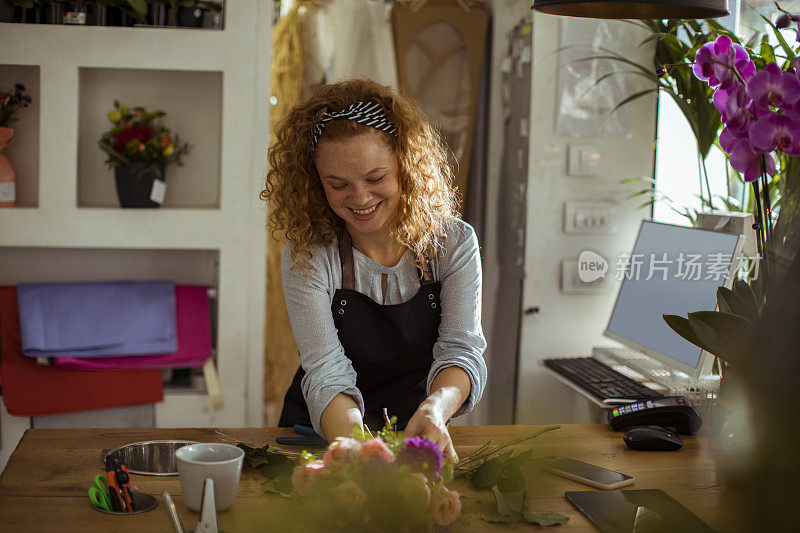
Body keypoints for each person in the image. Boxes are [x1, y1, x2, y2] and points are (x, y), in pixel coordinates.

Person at [261, 79, 486, 460]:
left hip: (416, 430)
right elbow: (326, 369)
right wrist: (353, 445)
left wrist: (435, 410)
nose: (360, 198)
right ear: (317, 183)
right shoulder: (308, 255)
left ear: (406, 165)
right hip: (325, 431)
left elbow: (461, 352)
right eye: (338, 185)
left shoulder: (453, 244)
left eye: (375, 178)